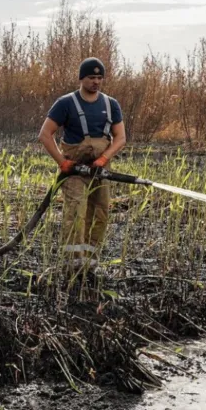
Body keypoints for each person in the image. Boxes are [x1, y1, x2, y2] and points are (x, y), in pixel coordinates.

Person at [38, 57, 126, 267]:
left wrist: (104, 158)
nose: (96, 81)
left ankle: (90, 261)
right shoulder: (65, 103)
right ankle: (72, 262)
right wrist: (62, 162)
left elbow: (121, 138)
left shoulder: (111, 104)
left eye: (99, 78)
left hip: (100, 169)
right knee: (76, 211)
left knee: (100, 212)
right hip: (74, 170)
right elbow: (45, 134)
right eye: (91, 77)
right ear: (81, 79)